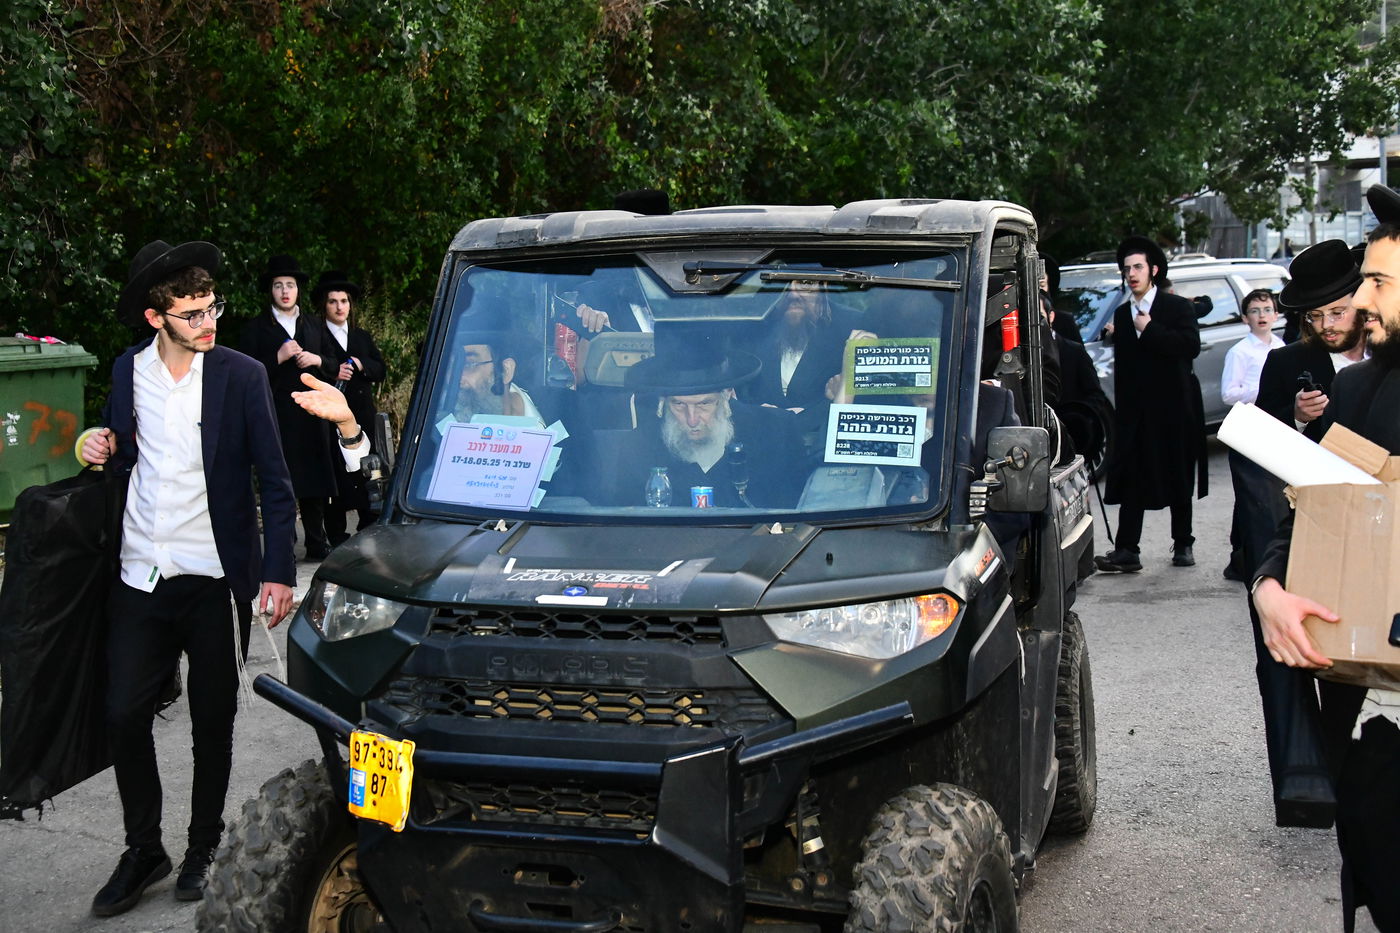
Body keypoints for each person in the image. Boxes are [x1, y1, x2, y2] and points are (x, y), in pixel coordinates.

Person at [76, 240, 300, 916]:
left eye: (213, 308)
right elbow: (121, 456)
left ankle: (204, 843)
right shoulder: (126, 372)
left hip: (210, 576)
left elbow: (277, 479)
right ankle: (145, 846)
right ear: (157, 319)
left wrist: (278, 573)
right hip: (140, 572)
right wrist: (95, 444)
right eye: (194, 313)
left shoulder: (240, 374)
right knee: (122, 712)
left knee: (214, 716)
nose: (210, 322)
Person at [1253, 216, 1400, 931]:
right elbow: (1307, 513)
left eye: (1378, 282)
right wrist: (1268, 587)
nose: (1363, 304)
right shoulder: (1360, 392)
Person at [1094, 236, 1207, 572]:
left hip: (1175, 408)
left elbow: (1189, 346)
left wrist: (1152, 328)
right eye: (1126, 268)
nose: (1131, 273)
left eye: (1138, 266)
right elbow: (1127, 368)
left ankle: (1183, 543)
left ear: (1153, 270)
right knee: (1133, 475)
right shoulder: (1122, 314)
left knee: (1177, 474)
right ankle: (1127, 549)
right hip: (1136, 412)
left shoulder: (1176, 308)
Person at [603, 326, 802, 508]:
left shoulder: (776, 432)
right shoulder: (637, 448)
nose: (692, 420)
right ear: (663, 401)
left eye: (704, 404)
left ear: (727, 395)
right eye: (678, 404)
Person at [239, 254, 341, 560]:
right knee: (280, 481)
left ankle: (315, 542)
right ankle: (282, 547)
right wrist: (278, 357)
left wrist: (318, 360)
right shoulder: (257, 328)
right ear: (270, 290)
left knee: (315, 483)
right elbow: (244, 375)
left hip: (312, 414)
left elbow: (336, 363)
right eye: (278, 285)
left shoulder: (314, 324)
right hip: (276, 415)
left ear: (298, 290)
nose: (285, 291)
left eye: (291, 285)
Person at [1255, 240, 1367, 442]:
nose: (1326, 325)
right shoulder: (1284, 362)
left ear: (1361, 304)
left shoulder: (1390, 354)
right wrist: (1297, 416)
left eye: (1337, 313)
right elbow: (1257, 438)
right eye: (1315, 315)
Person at [313, 270, 386, 545]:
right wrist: (333, 372)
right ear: (325, 305)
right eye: (333, 301)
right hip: (332, 418)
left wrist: (360, 364)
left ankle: (369, 524)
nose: (339, 306)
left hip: (362, 414)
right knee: (336, 475)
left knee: (368, 469)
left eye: (344, 301)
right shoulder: (317, 336)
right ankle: (335, 533)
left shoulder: (361, 336)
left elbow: (381, 369)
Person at [746, 279, 866, 410]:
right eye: (782, 282)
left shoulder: (854, 327)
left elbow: (870, 405)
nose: (792, 295)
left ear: (824, 286)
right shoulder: (749, 329)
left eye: (805, 283)